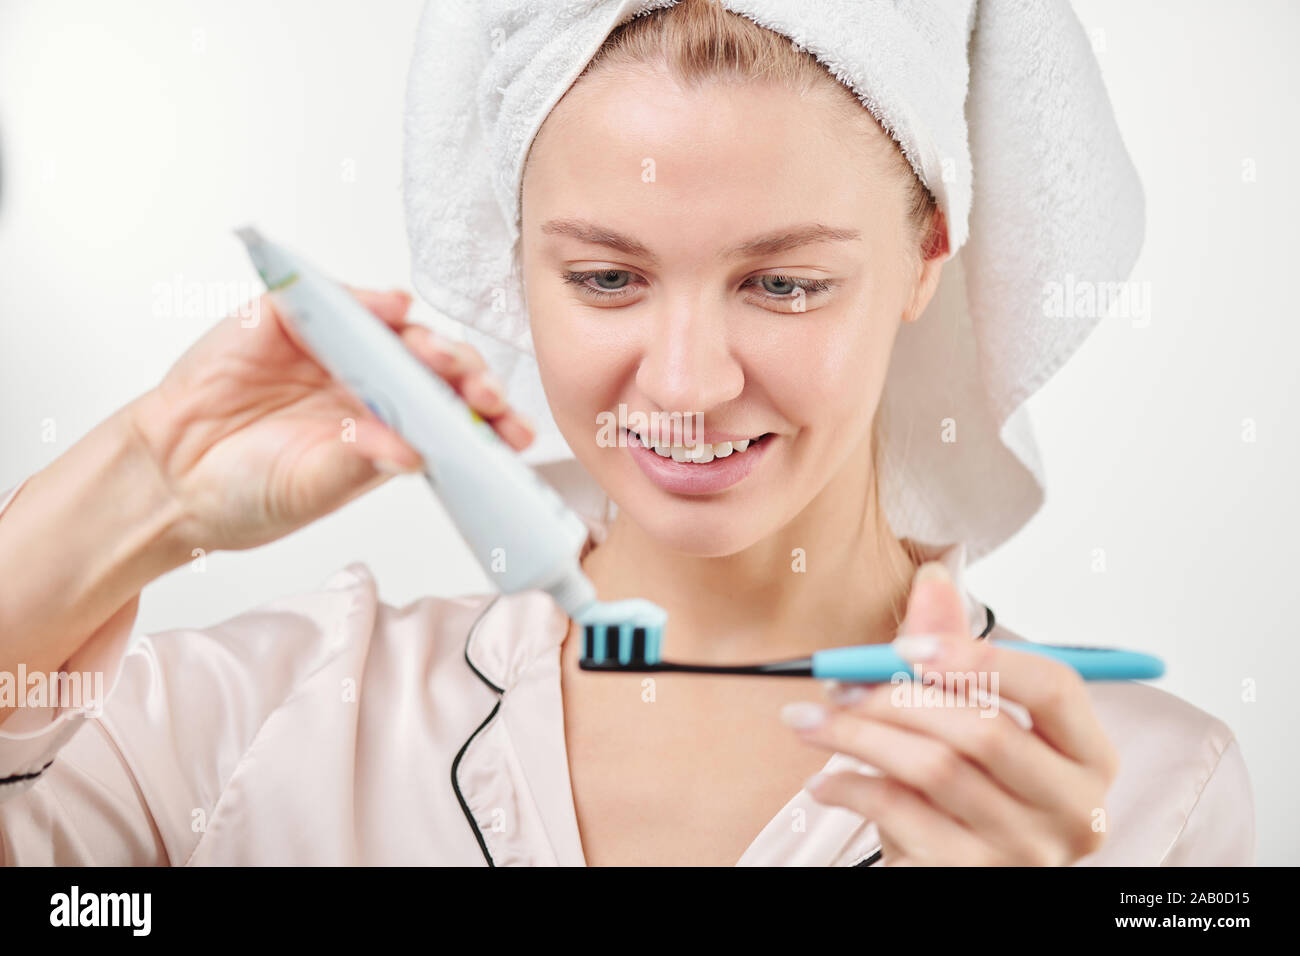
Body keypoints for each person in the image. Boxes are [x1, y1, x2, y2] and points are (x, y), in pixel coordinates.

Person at [0, 0, 1253, 866]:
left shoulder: (1141, 793)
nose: (689, 379)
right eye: (606, 278)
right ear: (515, 258)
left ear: (928, 252)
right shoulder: (255, 721)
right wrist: (145, 485)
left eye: (783, 283)